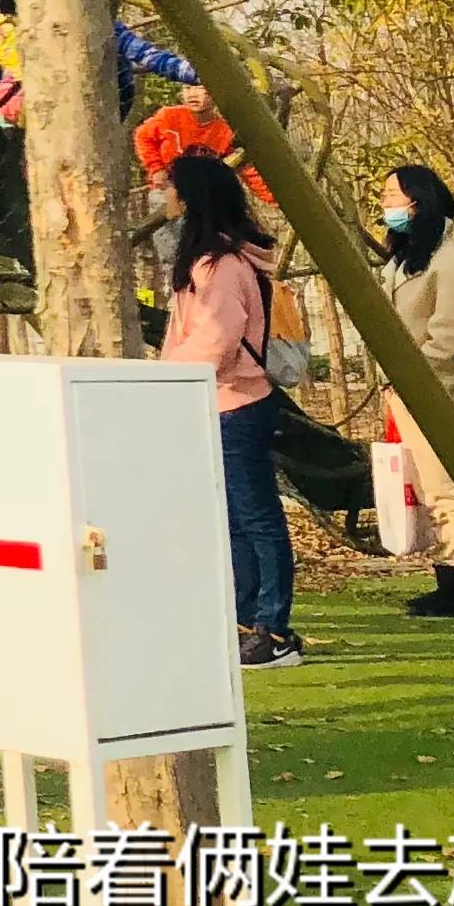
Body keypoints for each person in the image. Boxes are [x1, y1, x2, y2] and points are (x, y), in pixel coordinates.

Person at [157, 150, 301, 671]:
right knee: (237, 519)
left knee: (257, 517)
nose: (161, 196)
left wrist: (166, 374)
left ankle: (275, 628)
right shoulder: (209, 260)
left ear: (190, 197)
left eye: (168, 187)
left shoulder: (220, 265)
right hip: (219, 402)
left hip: (237, 403)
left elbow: (215, 341)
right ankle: (245, 622)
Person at [374, 161, 454, 620]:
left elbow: (453, 333)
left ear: (418, 201)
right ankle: (452, 573)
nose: (385, 203)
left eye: (393, 195)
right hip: (408, 388)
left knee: (447, 487)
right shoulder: (408, 259)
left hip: (435, 390)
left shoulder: (450, 263)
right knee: (428, 487)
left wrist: (417, 375)